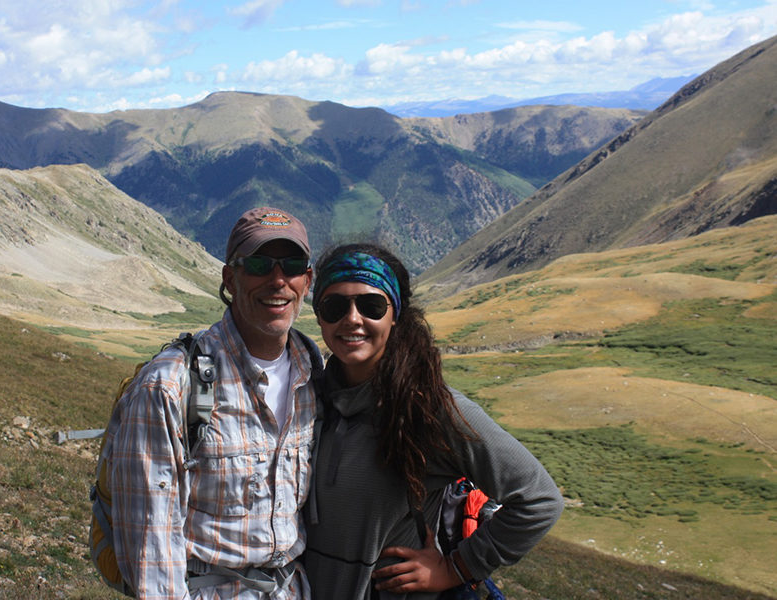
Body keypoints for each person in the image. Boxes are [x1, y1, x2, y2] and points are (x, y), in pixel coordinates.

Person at [304, 243, 564, 599]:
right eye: (334, 306)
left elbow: (540, 500)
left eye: (371, 306)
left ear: (394, 315)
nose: (352, 319)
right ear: (319, 316)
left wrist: (455, 567)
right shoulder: (306, 398)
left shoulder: (431, 408)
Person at [106, 207, 322, 599]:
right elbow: (151, 554)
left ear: (307, 280)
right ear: (230, 278)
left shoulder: (317, 377)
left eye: (292, 265)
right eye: (258, 264)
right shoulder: (169, 386)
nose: (278, 280)